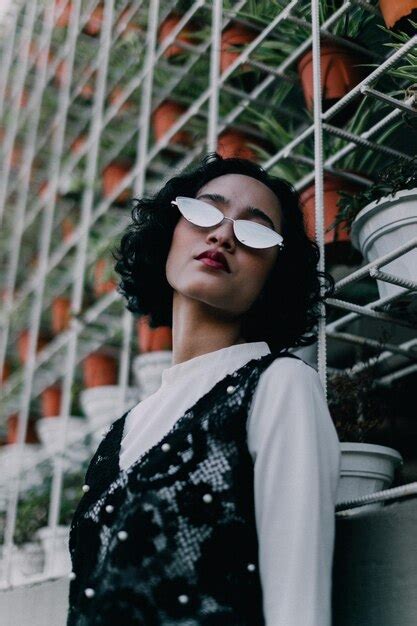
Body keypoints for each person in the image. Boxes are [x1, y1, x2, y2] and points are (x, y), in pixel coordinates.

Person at [67, 152, 341, 625]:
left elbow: (299, 608)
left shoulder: (279, 386)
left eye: (255, 230)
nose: (222, 234)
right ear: (170, 230)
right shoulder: (122, 430)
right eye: (204, 211)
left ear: (276, 272)